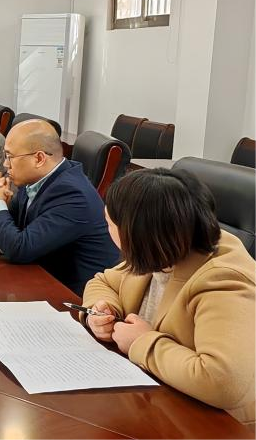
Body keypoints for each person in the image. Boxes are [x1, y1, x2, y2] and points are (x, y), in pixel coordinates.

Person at [83, 168, 256, 425]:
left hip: (215, 424)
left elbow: (223, 382)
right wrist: (103, 309)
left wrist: (141, 342)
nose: (105, 229)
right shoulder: (161, 249)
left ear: (136, 233)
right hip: (157, 399)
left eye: (109, 223)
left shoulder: (225, 281)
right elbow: (103, 282)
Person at [0, 119, 120, 295]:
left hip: (73, 297)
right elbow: (14, 230)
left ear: (39, 158)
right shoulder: (36, 180)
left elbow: (19, 249)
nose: (5, 164)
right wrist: (0, 202)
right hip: (40, 277)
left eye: (9, 156)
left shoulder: (72, 195)